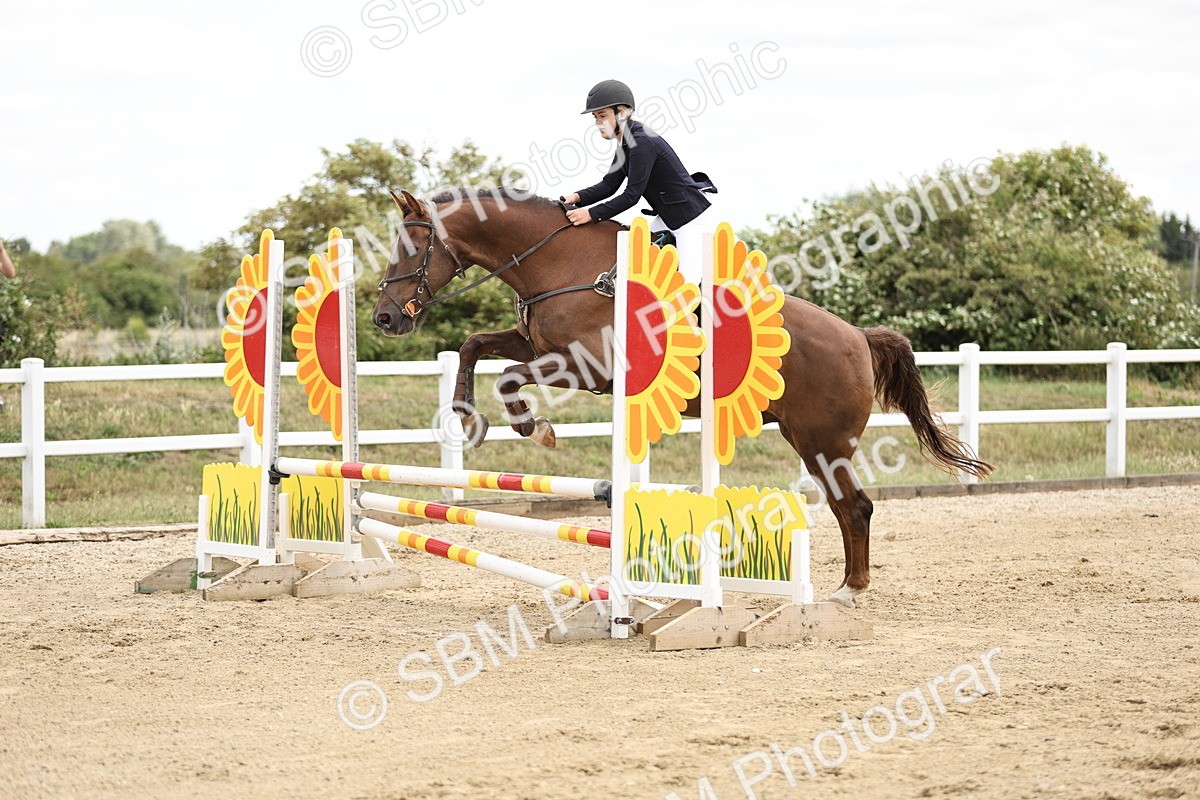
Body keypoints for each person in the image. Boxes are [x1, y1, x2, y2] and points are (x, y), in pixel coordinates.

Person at [562, 79, 716, 284]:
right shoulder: (627, 142)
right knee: (632, 259)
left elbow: (631, 196)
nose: (598, 123)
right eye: (596, 117)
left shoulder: (641, 142)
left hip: (691, 220)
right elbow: (609, 185)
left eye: (603, 116)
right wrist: (577, 198)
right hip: (669, 218)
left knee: (686, 287)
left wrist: (591, 214)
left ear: (622, 113)